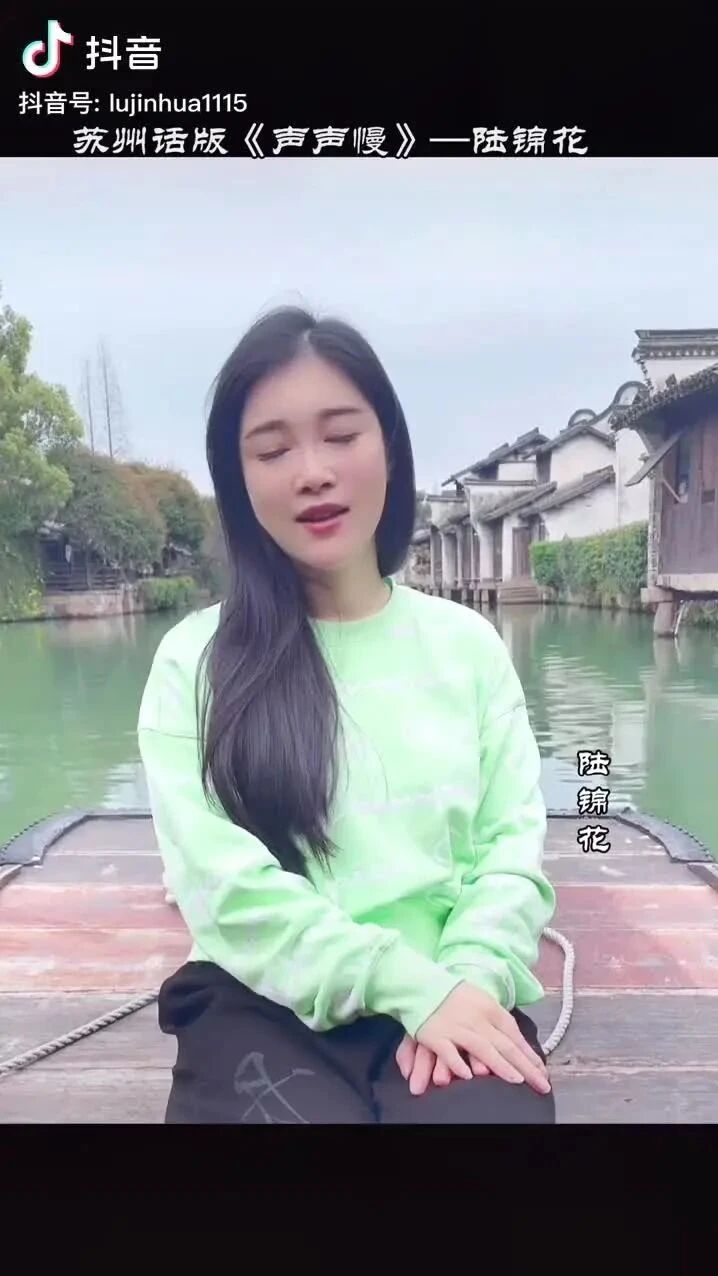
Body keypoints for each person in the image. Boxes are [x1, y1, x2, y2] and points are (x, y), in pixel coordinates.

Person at [137, 305, 557, 1124]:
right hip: (258, 999)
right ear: (237, 476)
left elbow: (512, 852)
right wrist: (401, 985)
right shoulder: (195, 661)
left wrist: (466, 980)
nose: (313, 473)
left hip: (456, 988)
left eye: (340, 435)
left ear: (389, 447)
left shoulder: (468, 647)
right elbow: (220, 885)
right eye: (273, 450)